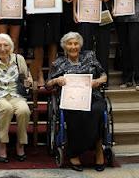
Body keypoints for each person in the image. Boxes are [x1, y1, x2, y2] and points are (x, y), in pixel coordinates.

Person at [46, 32, 107, 172]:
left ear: (80, 45)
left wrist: (97, 81)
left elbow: (104, 75)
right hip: (71, 99)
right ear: (64, 47)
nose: (73, 46)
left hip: (92, 96)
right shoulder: (58, 62)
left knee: (97, 110)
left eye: (76, 43)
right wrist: (56, 80)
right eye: (70, 44)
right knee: (74, 112)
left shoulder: (90, 56)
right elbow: (48, 85)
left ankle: (98, 148)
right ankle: (74, 153)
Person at [0, 33, 31, 162]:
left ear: (11, 47)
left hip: (16, 94)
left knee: (24, 110)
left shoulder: (18, 59)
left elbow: (26, 77)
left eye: (5, 45)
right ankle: (2, 143)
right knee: (6, 108)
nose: (2, 48)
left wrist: (28, 82)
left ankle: (21, 143)